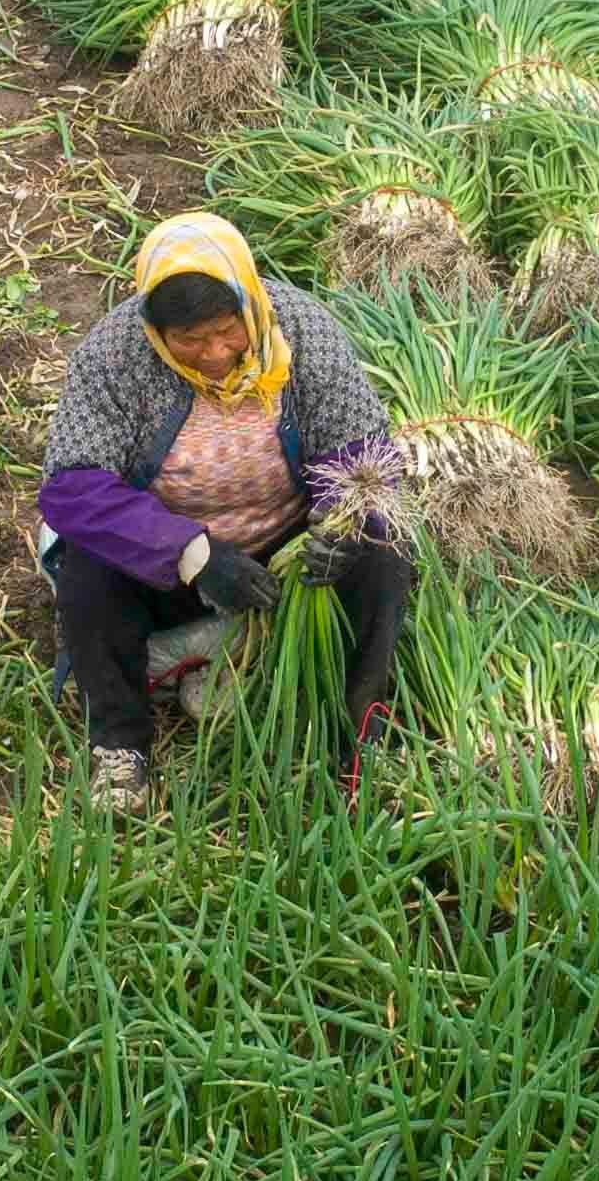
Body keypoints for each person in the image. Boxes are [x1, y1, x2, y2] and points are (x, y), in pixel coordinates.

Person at [36, 211, 416, 813]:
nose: (214, 354)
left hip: (287, 552)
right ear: (156, 330)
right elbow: (73, 488)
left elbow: (363, 453)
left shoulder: (303, 332)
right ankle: (120, 746)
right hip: (171, 558)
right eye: (189, 341)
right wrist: (191, 552)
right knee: (89, 562)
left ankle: (362, 735)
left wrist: (338, 523)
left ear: (250, 301)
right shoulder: (114, 356)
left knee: (382, 548)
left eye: (226, 331)